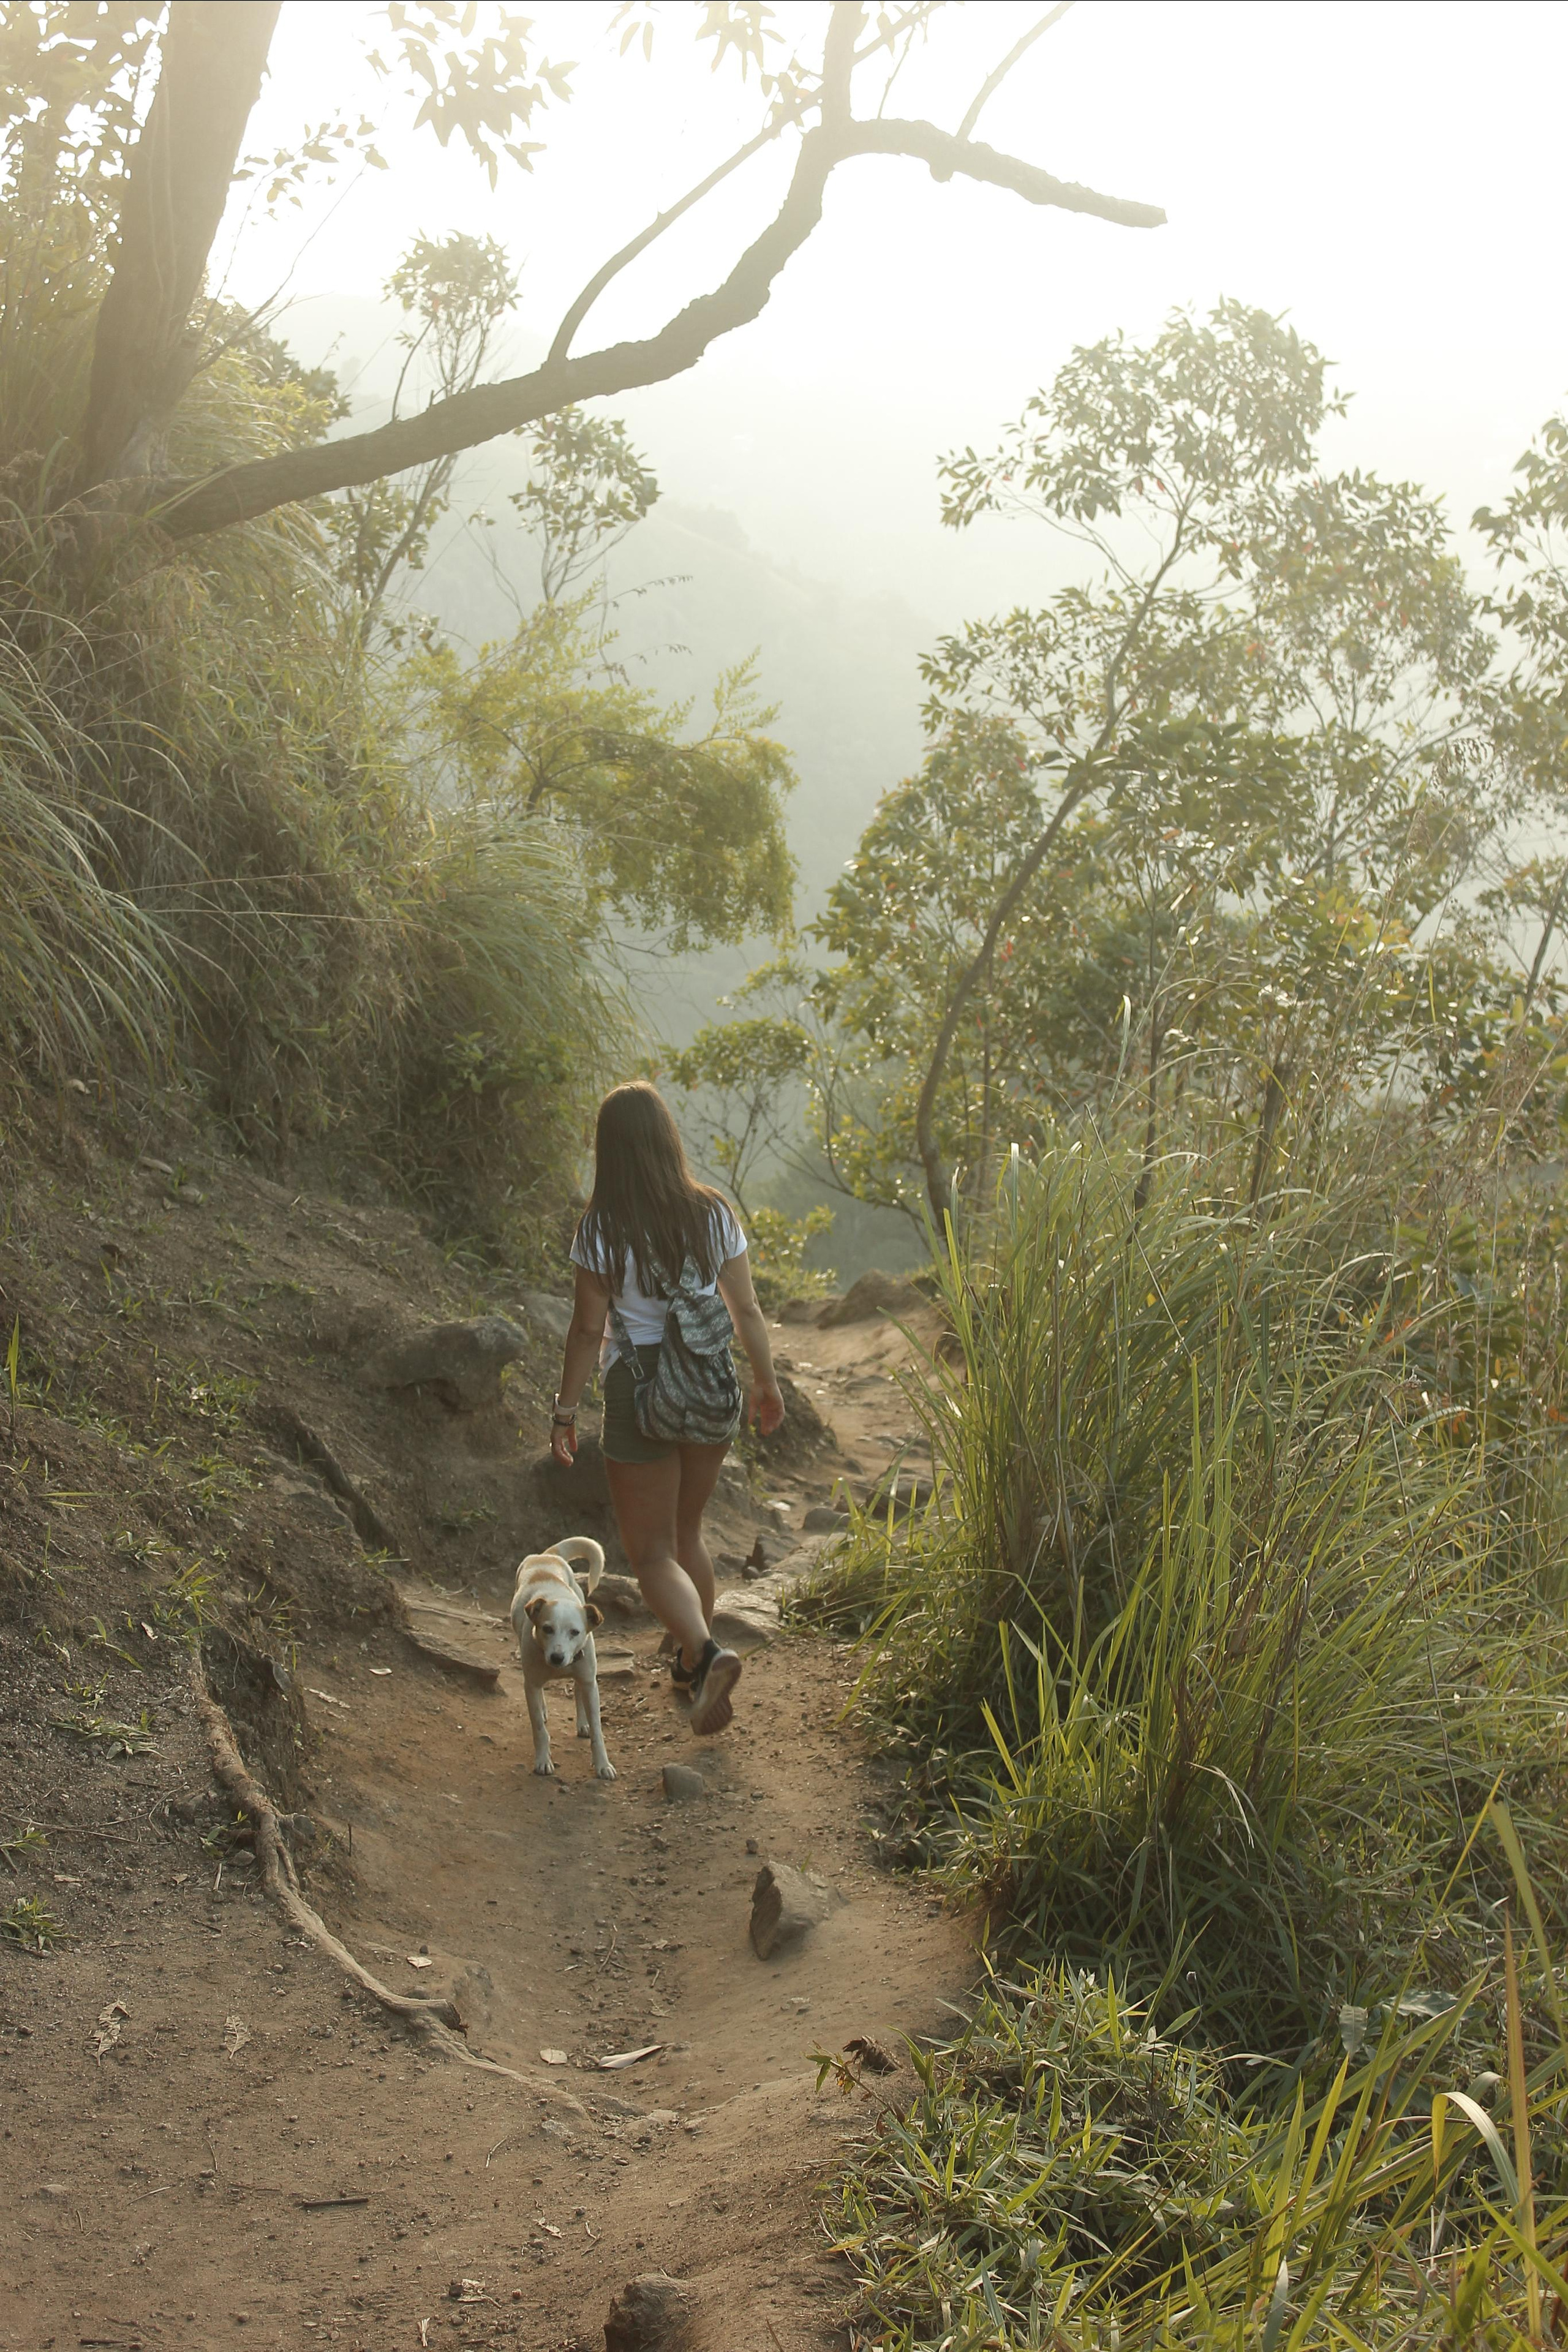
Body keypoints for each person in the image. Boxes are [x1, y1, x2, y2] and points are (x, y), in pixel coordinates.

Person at [549, 1081, 785, 1736]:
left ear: (609, 1149)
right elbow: (746, 1308)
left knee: (652, 1552)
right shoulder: (712, 1211)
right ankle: (689, 1668)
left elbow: (586, 1330)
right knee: (687, 1533)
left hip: (640, 1391)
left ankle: (705, 1652)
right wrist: (765, 1383)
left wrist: (565, 1413)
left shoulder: (601, 1228)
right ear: (666, 1139)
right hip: (708, 1383)